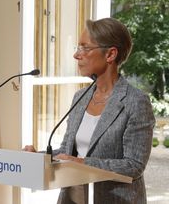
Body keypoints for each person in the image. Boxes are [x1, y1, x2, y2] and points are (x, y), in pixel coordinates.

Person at [24, 18, 155, 204]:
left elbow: (134, 165)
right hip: (74, 198)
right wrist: (37, 158)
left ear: (110, 54)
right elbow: (68, 151)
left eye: (85, 48)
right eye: (78, 47)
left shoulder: (135, 102)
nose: (77, 55)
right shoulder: (80, 97)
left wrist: (84, 163)